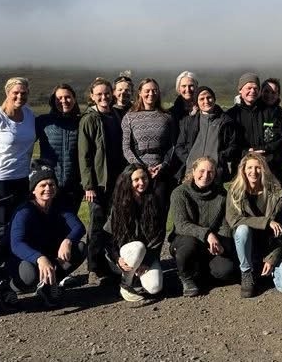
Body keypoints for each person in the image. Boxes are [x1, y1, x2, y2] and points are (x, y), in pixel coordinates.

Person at [0, 76, 36, 307]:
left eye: (24, 93)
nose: (20, 96)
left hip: (22, 180)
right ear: (7, 93)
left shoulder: (29, 115)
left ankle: (16, 275)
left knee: (18, 228)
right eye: (16, 93)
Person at [9, 164, 87, 308]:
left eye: (51, 184)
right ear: (33, 190)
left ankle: (49, 284)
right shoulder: (24, 211)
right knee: (29, 275)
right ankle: (12, 286)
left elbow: (79, 227)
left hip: (51, 256)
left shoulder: (59, 205)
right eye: (42, 185)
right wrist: (39, 258)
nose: (48, 188)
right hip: (29, 259)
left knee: (80, 248)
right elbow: (16, 244)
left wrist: (68, 241)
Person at [78, 77, 126, 284]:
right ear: (92, 97)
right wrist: (88, 184)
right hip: (98, 182)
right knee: (96, 225)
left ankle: (109, 262)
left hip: (117, 180)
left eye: (107, 93)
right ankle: (93, 267)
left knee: (113, 222)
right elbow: (84, 155)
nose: (104, 97)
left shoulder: (116, 114)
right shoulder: (89, 119)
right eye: (99, 94)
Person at [225, 152, 282, 297]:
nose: (253, 172)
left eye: (258, 168)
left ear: (264, 170)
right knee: (242, 229)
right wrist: (266, 222)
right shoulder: (234, 191)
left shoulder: (276, 193)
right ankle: (246, 272)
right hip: (246, 245)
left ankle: (264, 267)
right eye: (249, 168)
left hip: (270, 246)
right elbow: (234, 220)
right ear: (243, 170)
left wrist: (272, 258)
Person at [169, 157, 237, 297]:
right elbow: (182, 225)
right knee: (189, 244)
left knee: (226, 271)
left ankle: (199, 273)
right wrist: (207, 234)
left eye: (210, 172)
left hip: (211, 245)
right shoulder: (180, 193)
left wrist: (223, 245)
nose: (205, 175)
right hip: (185, 240)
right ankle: (186, 277)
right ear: (193, 171)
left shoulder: (221, 195)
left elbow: (225, 225)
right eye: (201, 171)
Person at [104, 164, 166, 302]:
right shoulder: (118, 205)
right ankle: (125, 284)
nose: (141, 182)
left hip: (146, 257)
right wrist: (116, 259)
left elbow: (159, 235)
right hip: (124, 257)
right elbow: (108, 237)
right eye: (136, 179)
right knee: (138, 246)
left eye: (144, 178)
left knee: (155, 287)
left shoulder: (155, 201)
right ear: (128, 182)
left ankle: (135, 279)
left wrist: (148, 261)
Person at [122, 78, 176, 216]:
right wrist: (141, 168)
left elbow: (171, 145)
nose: (151, 94)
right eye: (147, 91)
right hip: (138, 173)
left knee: (159, 212)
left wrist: (163, 165)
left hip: (160, 173)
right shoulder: (129, 117)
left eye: (154, 90)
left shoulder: (167, 117)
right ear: (140, 92)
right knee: (136, 213)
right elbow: (126, 147)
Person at [227, 73, 282, 184]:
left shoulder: (271, 112)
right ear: (240, 90)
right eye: (248, 88)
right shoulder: (231, 115)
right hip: (241, 170)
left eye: (255, 88)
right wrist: (246, 152)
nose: (252, 91)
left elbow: (280, 138)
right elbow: (229, 143)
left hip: (269, 169)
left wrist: (262, 150)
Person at [174, 86, 239, 183]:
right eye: (201, 99)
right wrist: (189, 159)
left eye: (209, 97)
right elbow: (179, 146)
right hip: (191, 172)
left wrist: (220, 157)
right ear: (197, 102)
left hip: (215, 173)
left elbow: (233, 145)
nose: (206, 101)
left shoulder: (226, 122)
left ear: (214, 99)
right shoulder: (188, 122)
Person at [35, 84, 83, 213]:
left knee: (71, 227)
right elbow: (23, 145)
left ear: (74, 99)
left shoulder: (82, 122)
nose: (63, 101)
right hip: (48, 186)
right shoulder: (43, 122)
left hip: (73, 187)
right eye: (59, 98)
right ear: (53, 101)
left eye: (67, 97)